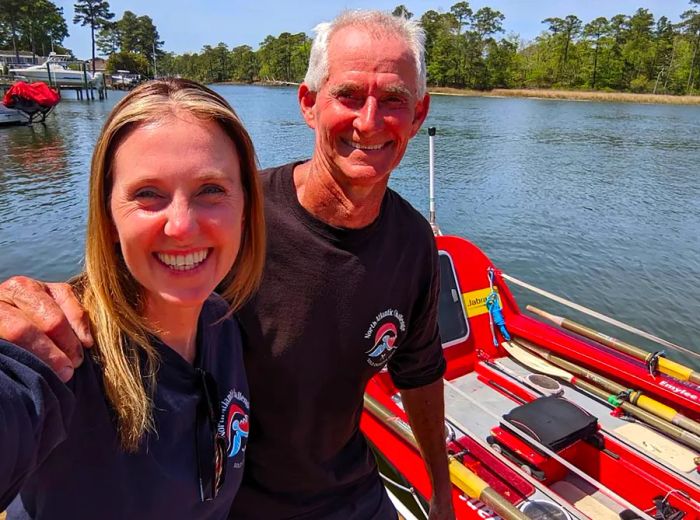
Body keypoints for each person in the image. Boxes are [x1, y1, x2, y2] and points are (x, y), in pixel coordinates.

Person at [0, 10, 455, 520]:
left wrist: (442, 493)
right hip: (244, 503)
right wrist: (26, 308)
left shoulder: (409, 242)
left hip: (348, 494)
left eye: (393, 100)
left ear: (418, 115)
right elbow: (90, 316)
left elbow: (419, 369)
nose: (184, 225)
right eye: (348, 95)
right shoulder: (225, 229)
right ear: (308, 103)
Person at [0, 78, 266, 519]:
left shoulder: (222, 323)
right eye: (148, 194)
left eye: (210, 190)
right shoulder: (61, 348)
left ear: (246, 207)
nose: (181, 225)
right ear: (108, 216)